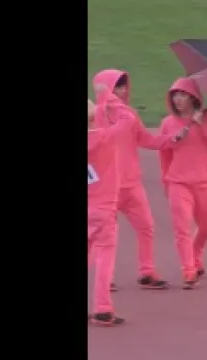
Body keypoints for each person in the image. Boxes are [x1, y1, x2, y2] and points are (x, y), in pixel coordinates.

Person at [92, 69, 178, 291]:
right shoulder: (95, 116)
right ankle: (105, 280)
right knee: (103, 239)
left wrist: (171, 139)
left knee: (146, 226)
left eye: (123, 87)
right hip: (106, 189)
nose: (122, 91)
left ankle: (147, 272)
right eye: (117, 87)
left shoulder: (129, 115)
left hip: (131, 185)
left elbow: (146, 140)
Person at [157, 77, 207, 289]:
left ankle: (196, 255)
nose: (178, 99)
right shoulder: (168, 123)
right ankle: (188, 270)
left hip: (204, 182)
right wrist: (166, 183)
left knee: (206, 227)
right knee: (182, 228)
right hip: (178, 182)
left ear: (193, 97)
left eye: (183, 95)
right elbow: (164, 156)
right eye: (175, 95)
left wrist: (203, 126)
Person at [87, 91, 130, 326]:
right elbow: (127, 120)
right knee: (105, 257)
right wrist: (110, 99)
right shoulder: (105, 138)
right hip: (103, 209)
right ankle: (102, 307)